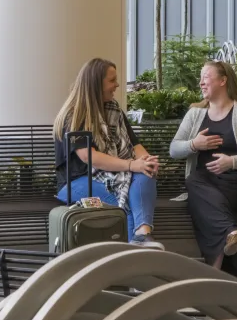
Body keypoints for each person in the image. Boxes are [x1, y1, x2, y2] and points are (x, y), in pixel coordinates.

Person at [170, 61, 237, 278]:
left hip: (236, 182)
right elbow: (174, 149)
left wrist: (231, 162)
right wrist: (194, 144)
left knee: (203, 205)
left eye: (206, 76)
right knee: (196, 182)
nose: (200, 82)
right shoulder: (195, 114)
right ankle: (230, 235)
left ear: (223, 80)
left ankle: (215, 276)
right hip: (204, 183)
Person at [53, 58, 163, 249]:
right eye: (112, 80)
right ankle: (132, 258)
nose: (117, 85)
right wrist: (131, 165)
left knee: (146, 174)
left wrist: (146, 161)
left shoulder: (113, 110)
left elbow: (134, 144)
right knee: (123, 204)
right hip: (79, 181)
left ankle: (142, 235)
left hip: (114, 174)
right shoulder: (74, 115)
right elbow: (89, 157)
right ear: (96, 84)